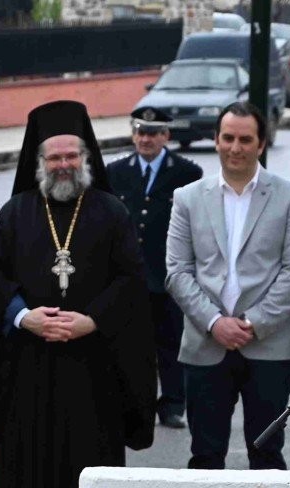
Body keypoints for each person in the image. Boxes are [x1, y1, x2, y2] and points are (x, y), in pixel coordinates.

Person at [0, 104, 152, 488]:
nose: (64, 165)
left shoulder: (112, 213)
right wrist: (24, 316)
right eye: (55, 158)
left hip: (92, 372)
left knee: (88, 466)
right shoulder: (14, 214)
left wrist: (93, 320)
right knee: (26, 467)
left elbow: (131, 281)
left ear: (85, 159)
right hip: (26, 367)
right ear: (40, 162)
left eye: (71, 156)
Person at [165, 103, 290, 471]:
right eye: (228, 138)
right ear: (215, 140)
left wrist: (253, 322)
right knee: (205, 456)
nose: (235, 147)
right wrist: (215, 322)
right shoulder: (187, 197)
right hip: (205, 345)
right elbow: (177, 271)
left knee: (266, 457)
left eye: (245, 139)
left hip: (268, 345)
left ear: (261, 144)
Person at [106, 116, 204, 432]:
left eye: (152, 133)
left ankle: (173, 405)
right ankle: (136, 405)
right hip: (129, 275)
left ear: (165, 135)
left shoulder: (187, 173)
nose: (145, 139)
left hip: (168, 273)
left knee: (171, 344)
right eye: (139, 133)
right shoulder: (116, 172)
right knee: (132, 346)